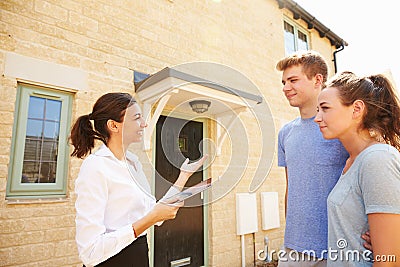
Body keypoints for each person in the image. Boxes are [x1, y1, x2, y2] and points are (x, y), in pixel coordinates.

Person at [70, 92, 207, 267]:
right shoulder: (95, 167)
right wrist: (147, 221)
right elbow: (90, 253)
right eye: (136, 118)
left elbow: (154, 213)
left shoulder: (134, 162)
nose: (144, 124)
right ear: (113, 125)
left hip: (139, 254)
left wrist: (183, 176)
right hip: (113, 261)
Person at [314, 71, 400, 266]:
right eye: (317, 109)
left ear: (356, 109)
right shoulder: (351, 162)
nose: (317, 118)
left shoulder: (377, 159)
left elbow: (390, 261)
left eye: (325, 108)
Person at [276, 50, 349, 266]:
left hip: (337, 248)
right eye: (283, 82)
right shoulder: (285, 133)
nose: (285, 88)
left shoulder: (342, 127)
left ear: (318, 80)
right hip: (293, 250)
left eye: (293, 80)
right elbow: (291, 188)